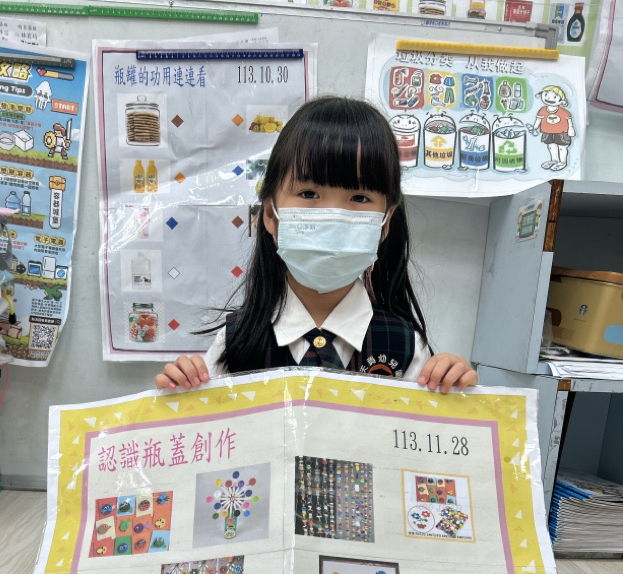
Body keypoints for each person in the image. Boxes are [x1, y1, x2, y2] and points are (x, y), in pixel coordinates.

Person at [155, 96, 476, 395]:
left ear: (385, 223)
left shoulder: (405, 348)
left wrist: (454, 392)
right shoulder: (235, 343)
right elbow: (210, 431)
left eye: (359, 197)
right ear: (271, 215)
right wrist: (183, 392)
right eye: (309, 194)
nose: (333, 215)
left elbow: (426, 433)